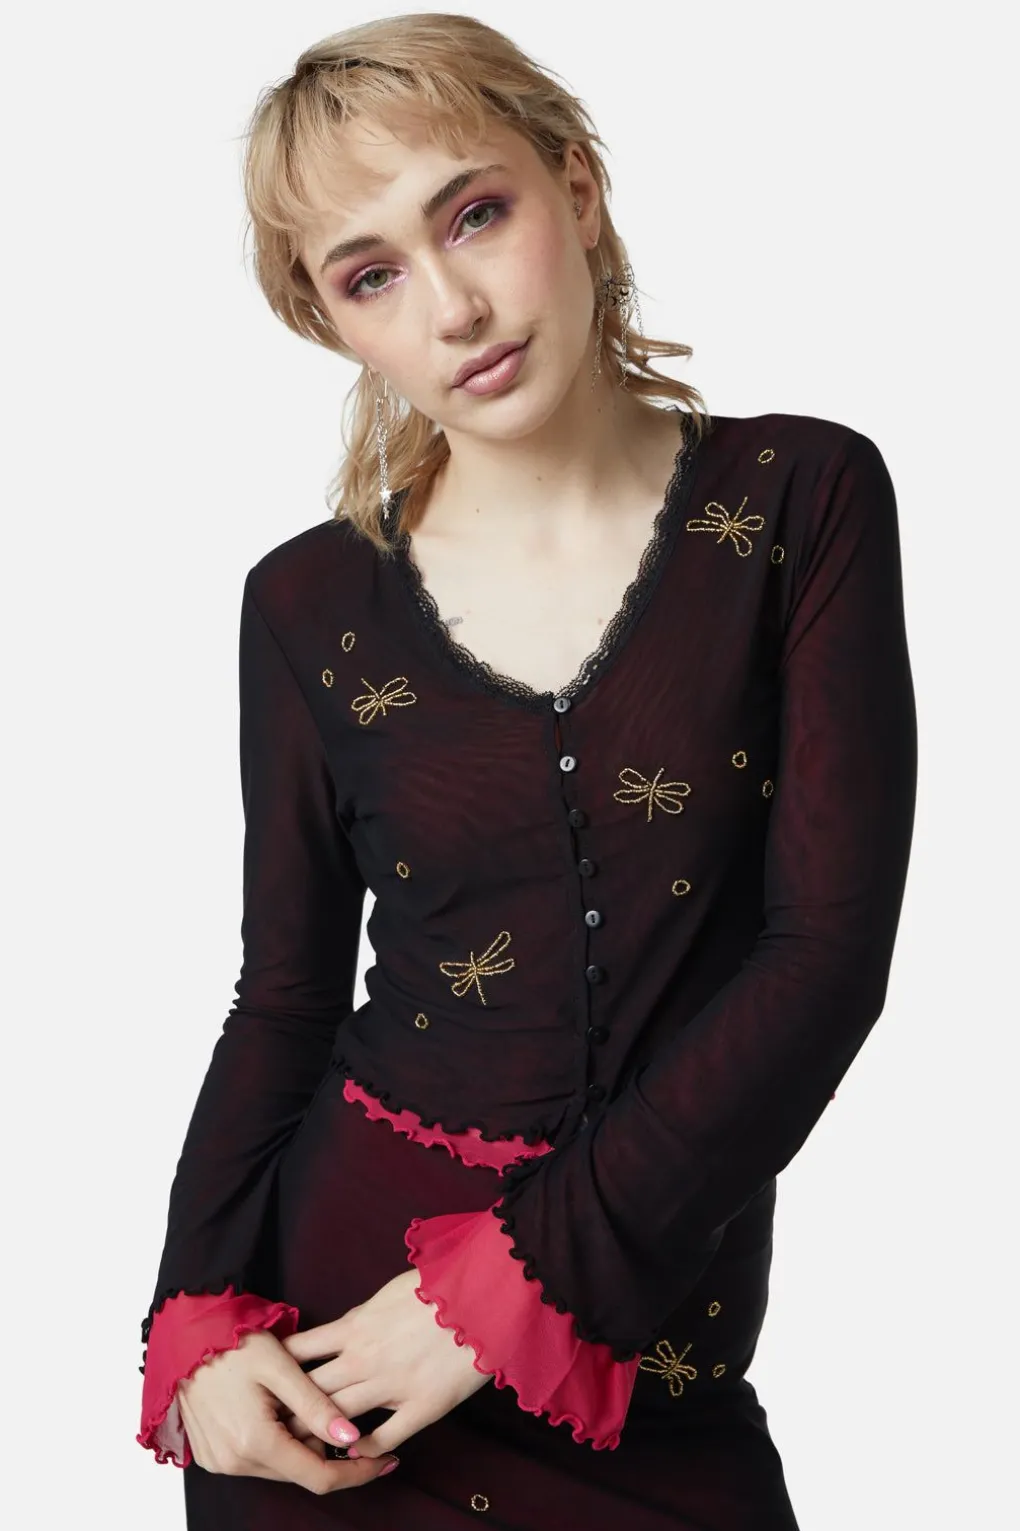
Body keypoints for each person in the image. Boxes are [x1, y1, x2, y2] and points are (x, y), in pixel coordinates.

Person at [136, 13, 918, 1529]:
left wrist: (505, 1287)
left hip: (644, 1358)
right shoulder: (305, 603)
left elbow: (825, 958)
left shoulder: (799, 499)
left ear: (578, 184)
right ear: (331, 323)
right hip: (332, 1381)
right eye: (372, 274)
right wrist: (199, 1316)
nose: (455, 308)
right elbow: (284, 996)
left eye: (475, 214)